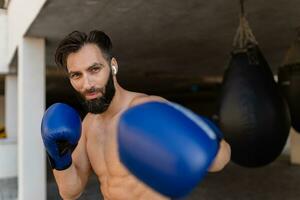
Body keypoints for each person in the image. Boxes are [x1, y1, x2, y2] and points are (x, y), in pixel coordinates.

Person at [42, 30, 231, 200]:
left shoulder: (147, 108)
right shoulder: (89, 124)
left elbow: (219, 161)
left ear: (113, 66)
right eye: (76, 75)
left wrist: (207, 140)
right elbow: (70, 192)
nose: (87, 83)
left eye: (94, 69)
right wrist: (59, 158)